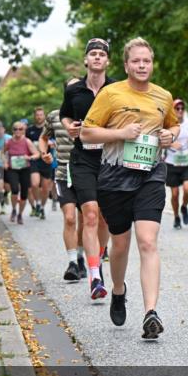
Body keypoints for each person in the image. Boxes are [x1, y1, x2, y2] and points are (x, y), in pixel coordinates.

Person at [81, 37, 179, 339]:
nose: (141, 65)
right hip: (115, 177)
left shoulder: (163, 96)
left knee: (148, 242)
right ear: (126, 65)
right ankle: (119, 290)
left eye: (146, 61)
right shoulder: (111, 94)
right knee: (120, 245)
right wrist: (121, 133)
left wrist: (169, 135)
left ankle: (151, 312)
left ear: (152, 64)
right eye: (136, 61)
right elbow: (86, 133)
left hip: (150, 175)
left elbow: (174, 125)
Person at [61, 38, 115, 300]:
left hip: (109, 159)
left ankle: (99, 259)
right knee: (90, 214)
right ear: (86, 60)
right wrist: (68, 126)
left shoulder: (117, 89)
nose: (96, 58)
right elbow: (65, 114)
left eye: (101, 54)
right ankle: (94, 275)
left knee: (104, 217)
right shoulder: (74, 91)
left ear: (107, 61)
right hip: (82, 158)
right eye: (92, 54)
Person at [45, 106, 86, 281]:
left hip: (86, 172)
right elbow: (43, 138)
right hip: (63, 172)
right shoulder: (54, 116)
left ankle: (81, 256)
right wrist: (44, 153)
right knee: (70, 218)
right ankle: (72, 264)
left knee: (86, 219)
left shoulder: (90, 112)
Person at [165, 99, 188, 229]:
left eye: (182, 108)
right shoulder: (167, 124)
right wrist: (171, 143)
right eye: (177, 108)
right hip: (172, 163)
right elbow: (160, 140)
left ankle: (184, 207)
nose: (180, 111)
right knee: (174, 194)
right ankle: (176, 216)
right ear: (172, 110)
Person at [4, 121, 40, 224]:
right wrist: (5, 162)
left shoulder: (27, 141)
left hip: (25, 169)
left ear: (24, 130)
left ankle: (20, 214)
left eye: (20, 129)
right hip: (13, 169)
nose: (18, 131)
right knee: (14, 189)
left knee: (24, 194)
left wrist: (29, 157)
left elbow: (37, 154)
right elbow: (2, 153)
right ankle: (14, 209)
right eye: (15, 129)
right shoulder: (9, 142)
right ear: (12, 130)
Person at [27, 107, 52, 219]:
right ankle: (37, 203)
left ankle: (42, 207)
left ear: (44, 116)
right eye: (37, 115)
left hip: (46, 160)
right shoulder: (29, 130)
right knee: (34, 184)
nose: (39, 117)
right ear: (34, 116)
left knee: (46, 188)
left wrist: (52, 143)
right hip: (35, 161)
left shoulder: (49, 129)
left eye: (41, 115)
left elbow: (56, 142)